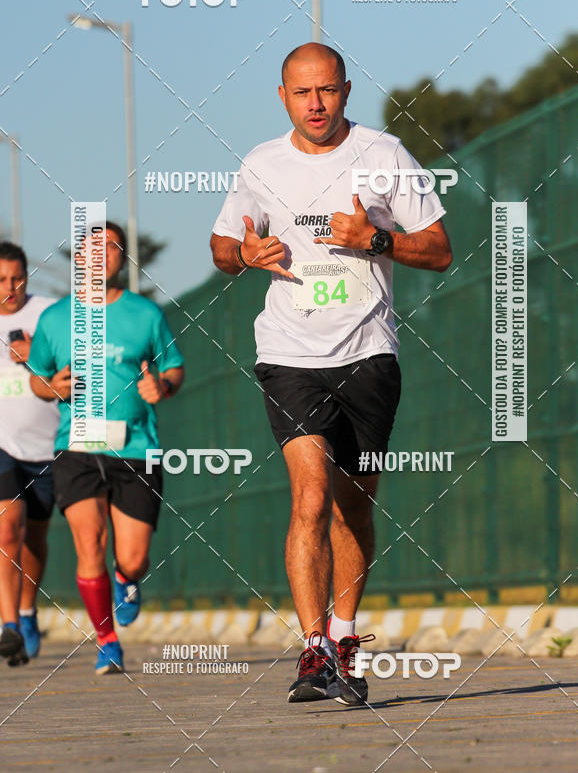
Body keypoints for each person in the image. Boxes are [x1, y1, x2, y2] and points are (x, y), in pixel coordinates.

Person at [210, 43, 452, 705]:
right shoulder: (261, 164)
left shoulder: (384, 156)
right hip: (290, 355)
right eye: (301, 93)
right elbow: (222, 245)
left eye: (327, 91)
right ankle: (313, 651)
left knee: (355, 506)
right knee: (310, 495)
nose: (315, 104)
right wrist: (245, 254)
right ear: (282, 96)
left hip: (369, 355)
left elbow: (438, 250)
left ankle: (344, 638)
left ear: (345, 91)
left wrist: (374, 239)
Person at [28, 222, 184, 674]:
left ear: (122, 258)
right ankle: (107, 638)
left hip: (136, 446)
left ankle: (125, 579)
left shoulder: (145, 315)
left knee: (132, 557)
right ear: (79, 259)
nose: (102, 255)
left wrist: (163, 386)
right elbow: (38, 377)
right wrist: (50, 386)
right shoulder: (55, 318)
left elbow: (173, 367)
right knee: (89, 541)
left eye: (113, 247)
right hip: (75, 446)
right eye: (93, 248)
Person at [0, 242, 59, 665]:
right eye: (1, 280)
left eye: (16, 278)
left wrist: (34, 357)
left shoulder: (50, 315)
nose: (10, 287)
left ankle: (27, 609)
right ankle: (9, 626)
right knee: (8, 530)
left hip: (48, 446)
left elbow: (75, 365)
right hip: (3, 445)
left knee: (36, 538)